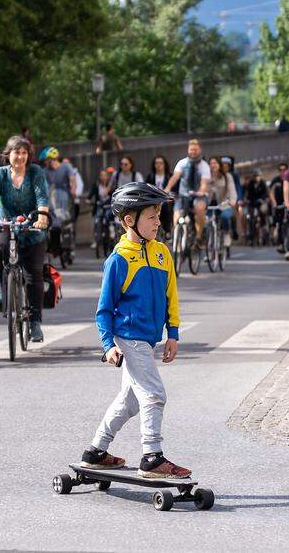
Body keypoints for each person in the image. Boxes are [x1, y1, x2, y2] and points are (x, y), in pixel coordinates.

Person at [80, 182, 190, 479]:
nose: (158, 222)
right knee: (154, 394)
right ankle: (152, 457)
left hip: (148, 338)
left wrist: (174, 333)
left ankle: (95, 451)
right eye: (152, 216)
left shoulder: (162, 253)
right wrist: (108, 345)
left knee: (129, 402)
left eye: (158, 215)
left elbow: (172, 295)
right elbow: (104, 309)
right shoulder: (118, 259)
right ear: (130, 220)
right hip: (128, 337)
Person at [0, 136, 51, 342]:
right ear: (8, 154)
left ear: (28, 156)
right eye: (16, 152)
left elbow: (42, 198)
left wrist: (43, 217)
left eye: (23, 153)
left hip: (32, 225)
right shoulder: (0, 174)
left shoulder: (35, 172)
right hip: (6, 221)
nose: (19, 156)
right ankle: (2, 284)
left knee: (33, 273)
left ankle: (35, 322)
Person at [164, 139, 211, 248]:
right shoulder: (182, 163)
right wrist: (167, 188)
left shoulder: (204, 166)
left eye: (195, 149)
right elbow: (175, 177)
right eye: (191, 149)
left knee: (199, 208)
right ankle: (177, 237)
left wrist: (201, 191)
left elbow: (204, 183)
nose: (193, 152)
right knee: (176, 215)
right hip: (183, 195)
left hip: (198, 195)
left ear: (200, 150)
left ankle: (199, 237)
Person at [41, 146, 79, 257]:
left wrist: (73, 190)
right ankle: (55, 247)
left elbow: (73, 179)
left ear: (53, 159)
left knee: (67, 221)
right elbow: (44, 186)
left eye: (47, 160)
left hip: (65, 197)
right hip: (52, 199)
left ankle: (68, 244)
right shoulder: (45, 171)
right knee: (54, 224)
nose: (46, 163)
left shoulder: (66, 166)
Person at [208, 157, 237, 247]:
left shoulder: (227, 176)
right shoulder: (206, 176)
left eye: (215, 163)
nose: (213, 165)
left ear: (219, 165)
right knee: (206, 222)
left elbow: (232, 189)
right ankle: (209, 246)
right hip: (209, 204)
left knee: (225, 217)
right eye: (211, 163)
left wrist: (232, 200)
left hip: (223, 203)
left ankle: (226, 234)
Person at [149, 155, 173, 236]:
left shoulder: (170, 176)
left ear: (164, 164)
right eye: (156, 163)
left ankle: (167, 230)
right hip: (154, 200)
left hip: (167, 200)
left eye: (161, 163)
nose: (158, 165)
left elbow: (175, 190)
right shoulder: (151, 176)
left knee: (166, 207)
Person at [268, 162, 288, 246]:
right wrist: (274, 202)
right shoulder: (275, 180)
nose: (282, 171)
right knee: (279, 223)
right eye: (280, 170)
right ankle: (280, 243)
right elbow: (270, 192)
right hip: (279, 205)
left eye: (284, 170)